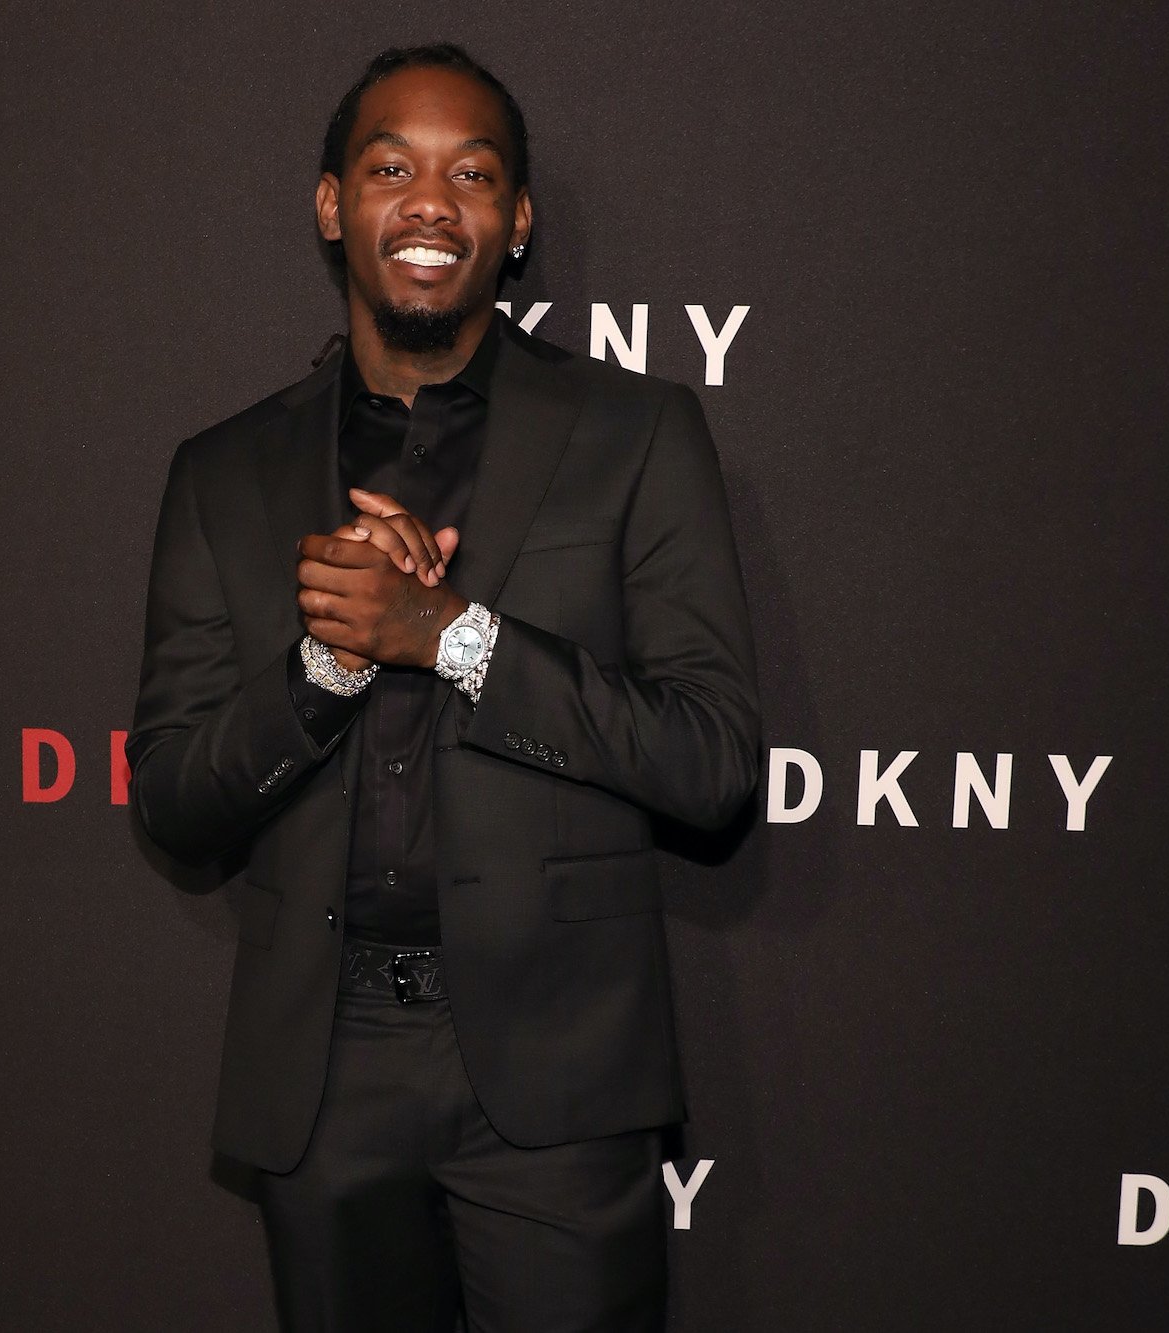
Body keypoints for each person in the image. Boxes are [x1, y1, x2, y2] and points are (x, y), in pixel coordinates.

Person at [127, 43, 760, 1332]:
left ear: (518, 221)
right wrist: (326, 666)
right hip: (325, 1070)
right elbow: (176, 801)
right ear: (330, 206)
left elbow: (713, 762)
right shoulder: (224, 474)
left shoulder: (638, 436)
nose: (430, 202)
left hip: (559, 1083)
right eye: (389, 168)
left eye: (472, 172)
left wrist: (456, 637)